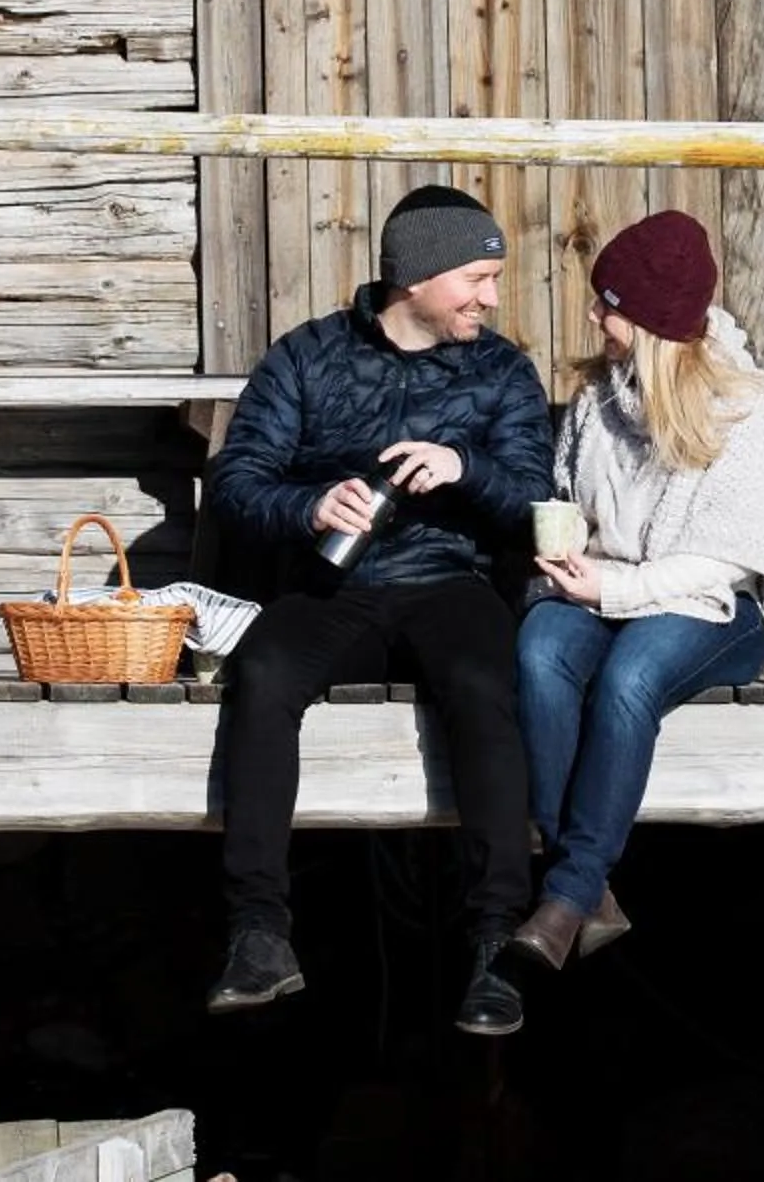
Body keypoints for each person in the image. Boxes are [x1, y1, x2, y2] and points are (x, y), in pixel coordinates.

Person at [201, 185, 555, 1035]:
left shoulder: (500, 370)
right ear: (418, 277)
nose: (491, 296)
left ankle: (496, 940)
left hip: (449, 583)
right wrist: (311, 507)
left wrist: (466, 468)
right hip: (332, 588)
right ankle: (258, 932)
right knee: (263, 670)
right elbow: (239, 480)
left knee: (483, 682)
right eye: (476, 276)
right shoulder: (307, 358)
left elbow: (537, 501)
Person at [506, 210, 764, 970]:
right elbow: (569, 493)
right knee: (539, 649)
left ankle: (566, 894)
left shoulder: (747, 408)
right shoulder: (600, 401)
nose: (596, 316)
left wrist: (610, 585)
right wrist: (565, 552)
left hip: (717, 607)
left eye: (608, 303)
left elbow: (722, 565)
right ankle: (589, 894)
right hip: (606, 588)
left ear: (644, 317)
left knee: (632, 678)